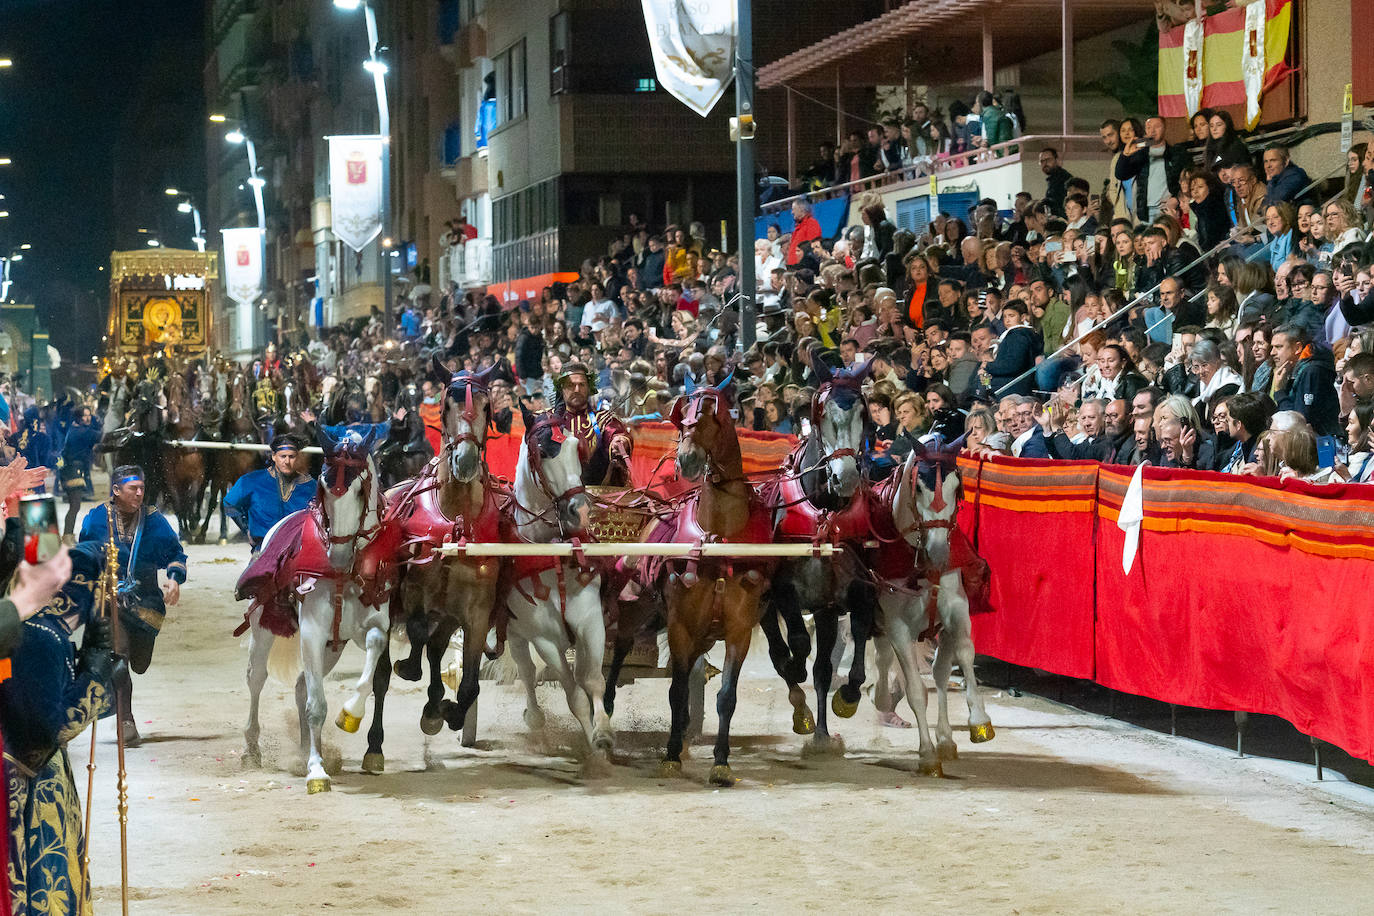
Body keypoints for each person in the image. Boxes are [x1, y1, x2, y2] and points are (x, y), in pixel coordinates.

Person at [1, 542, 113, 916]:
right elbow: (48, 730)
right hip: (31, 786)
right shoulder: (42, 637)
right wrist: (94, 679)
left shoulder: (20, 623)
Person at [77, 466, 187, 747]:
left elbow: (176, 553)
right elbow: (85, 554)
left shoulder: (154, 520)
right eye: (132, 488)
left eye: (142, 487)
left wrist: (174, 580)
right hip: (109, 600)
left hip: (145, 600)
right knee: (119, 658)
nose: (140, 493)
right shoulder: (96, 519)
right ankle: (126, 720)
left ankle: (127, 690)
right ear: (116, 491)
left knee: (138, 663)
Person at [224, 435, 317, 552]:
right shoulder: (252, 480)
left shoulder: (311, 486)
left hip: (298, 551)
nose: (287, 461)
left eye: (291, 457)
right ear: (274, 456)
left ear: (297, 457)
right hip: (264, 548)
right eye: (283, 456)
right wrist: (246, 529)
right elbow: (230, 503)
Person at [551, 362, 632, 486]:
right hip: (554, 496)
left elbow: (616, 433)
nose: (577, 390)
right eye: (571, 385)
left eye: (582, 385)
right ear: (562, 388)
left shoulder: (604, 418)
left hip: (598, 496)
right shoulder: (547, 420)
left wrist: (620, 441)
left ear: (589, 388)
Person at [1270, 323, 1340, 437]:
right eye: (1272, 347)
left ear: (1297, 348)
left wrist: (1280, 392)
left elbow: (1299, 422)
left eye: (1278, 347)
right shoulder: (1298, 370)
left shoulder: (1313, 371)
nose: (1272, 352)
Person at [58, 406, 102, 542]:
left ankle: (68, 535)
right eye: (85, 416)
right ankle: (67, 536)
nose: (88, 418)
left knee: (74, 506)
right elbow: (101, 436)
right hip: (73, 471)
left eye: (90, 415)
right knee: (75, 505)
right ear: (78, 417)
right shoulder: (81, 432)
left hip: (71, 470)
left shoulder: (75, 429)